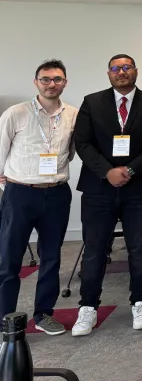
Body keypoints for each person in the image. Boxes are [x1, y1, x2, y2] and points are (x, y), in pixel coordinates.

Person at [72, 54, 142, 336]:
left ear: (136, 71)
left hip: (139, 188)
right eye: (116, 68)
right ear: (108, 73)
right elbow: (82, 142)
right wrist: (108, 172)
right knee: (94, 250)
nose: (122, 72)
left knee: (139, 248)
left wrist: (129, 169)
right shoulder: (92, 102)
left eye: (127, 67)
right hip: (98, 188)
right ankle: (87, 307)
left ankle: (140, 301)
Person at [0, 59, 77, 336]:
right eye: (45, 79)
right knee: (9, 259)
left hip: (56, 194)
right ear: (36, 82)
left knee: (52, 257)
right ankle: (5, 320)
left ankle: (44, 314)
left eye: (57, 79)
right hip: (20, 193)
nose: (51, 84)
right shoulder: (15, 113)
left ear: (65, 83)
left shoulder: (74, 114)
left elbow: (71, 152)